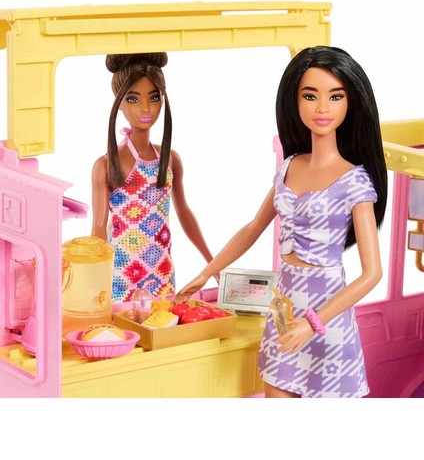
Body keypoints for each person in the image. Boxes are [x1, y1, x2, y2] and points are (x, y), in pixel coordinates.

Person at [175, 46, 387, 398]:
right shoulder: (289, 167)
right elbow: (252, 228)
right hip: (284, 315)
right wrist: (205, 273)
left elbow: (372, 273)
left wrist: (313, 323)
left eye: (335, 97)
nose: (322, 108)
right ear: (295, 101)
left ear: (351, 103)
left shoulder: (354, 181)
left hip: (328, 321)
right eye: (310, 96)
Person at [91, 52, 214, 302]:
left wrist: (213, 265)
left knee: (164, 322)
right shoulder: (106, 165)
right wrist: (95, 281)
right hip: (121, 274)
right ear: (119, 102)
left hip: (161, 271)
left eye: (154, 97)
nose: (146, 108)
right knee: (123, 325)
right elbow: (98, 227)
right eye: (133, 99)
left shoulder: (170, 160)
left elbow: (184, 213)